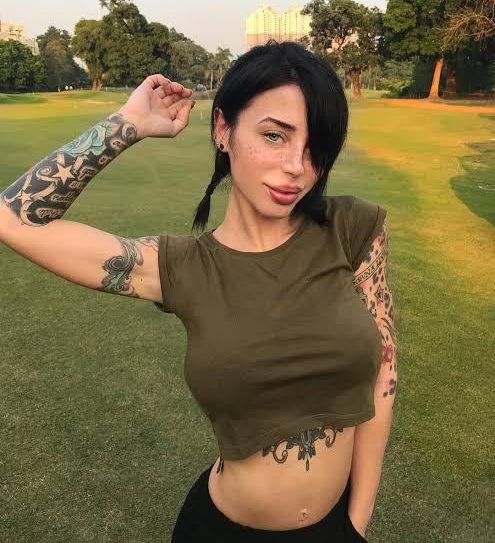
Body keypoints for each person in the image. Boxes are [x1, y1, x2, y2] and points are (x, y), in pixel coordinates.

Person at [0, 39, 397, 542]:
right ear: (223, 129)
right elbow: (14, 219)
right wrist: (129, 124)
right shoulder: (181, 267)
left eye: (315, 145)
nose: (297, 166)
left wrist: (356, 523)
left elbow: (384, 371)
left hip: (336, 528)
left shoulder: (352, 228)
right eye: (274, 135)